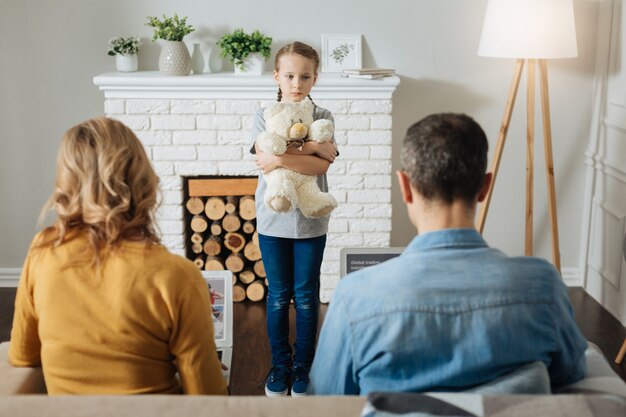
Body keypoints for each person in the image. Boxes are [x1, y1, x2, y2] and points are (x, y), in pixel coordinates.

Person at [308, 113, 588, 395]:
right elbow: (570, 374)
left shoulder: (354, 298)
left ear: (405, 187)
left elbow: (325, 401)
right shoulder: (544, 286)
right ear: (484, 187)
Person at [9, 117, 228, 395]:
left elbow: (22, 356)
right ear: (143, 179)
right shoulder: (178, 276)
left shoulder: (43, 251)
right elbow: (207, 398)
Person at [250, 41, 338, 397]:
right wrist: (312, 149)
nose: (296, 82)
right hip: (273, 221)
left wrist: (284, 156)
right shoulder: (262, 114)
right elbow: (262, 156)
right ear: (277, 76)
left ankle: (303, 367)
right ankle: (280, 366)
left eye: (305, 76)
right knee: (277, 296)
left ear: (315, 79)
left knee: (305, 296)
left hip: (312, 222)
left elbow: (321, 164)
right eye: (289, 75)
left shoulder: (323, 117)